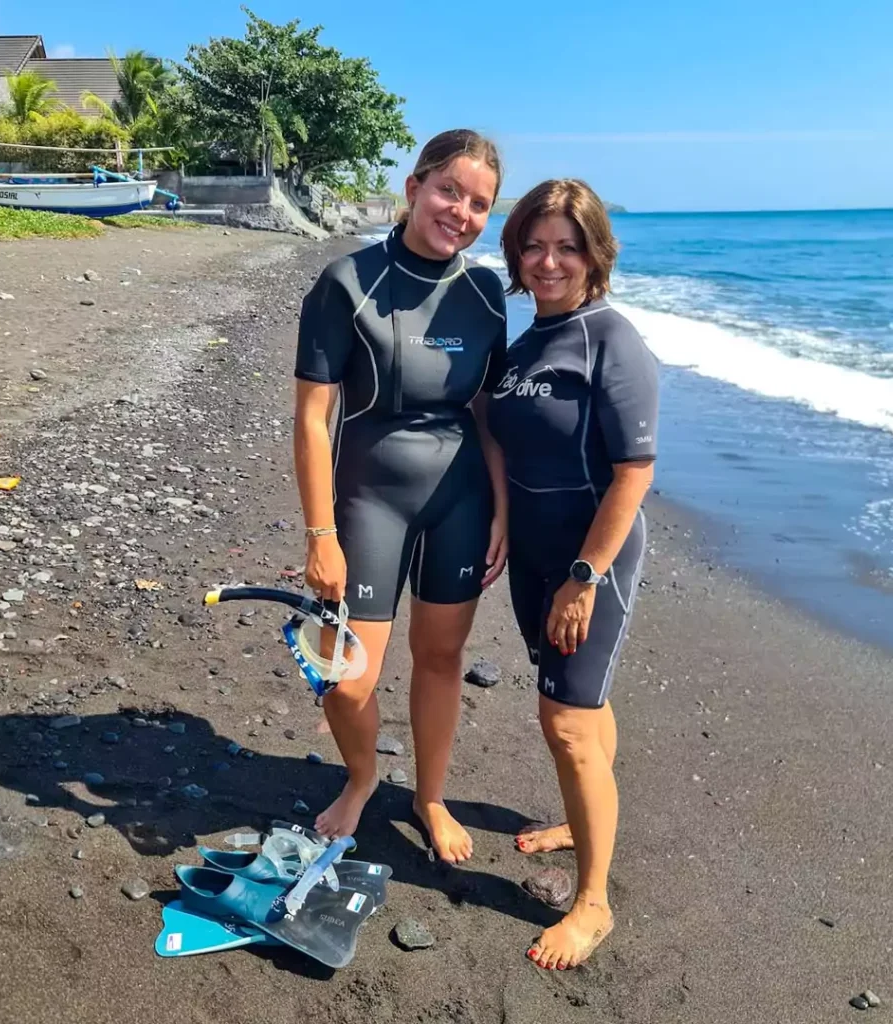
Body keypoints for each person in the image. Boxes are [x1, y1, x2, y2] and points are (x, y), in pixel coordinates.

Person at [292, 129, 510, 863]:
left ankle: (430, 796)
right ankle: (360, 778)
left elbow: (485, 411)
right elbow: (313, 417)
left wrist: (503, 509)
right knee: (345, 676)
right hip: (367, 499)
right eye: (450, 191)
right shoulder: (348, 283)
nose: (462, 211)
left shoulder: (483, 292)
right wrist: (320, 533)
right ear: (414, 187)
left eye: (480, 203)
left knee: (442, 657)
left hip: (461, 498)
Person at [487, 179, 659, 970]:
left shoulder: (610, 340)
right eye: (534, 245)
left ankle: (593, 903)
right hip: (533, 550)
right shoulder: (528, 340)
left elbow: (632, 473)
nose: (549, 261)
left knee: (564, 720)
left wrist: (583, 576)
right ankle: (580, 815)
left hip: (590, 559)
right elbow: (500, 435)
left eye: (567, 246)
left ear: (596, 254)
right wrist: (500, 521)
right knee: (582, 707)